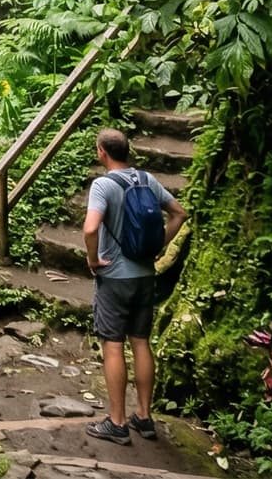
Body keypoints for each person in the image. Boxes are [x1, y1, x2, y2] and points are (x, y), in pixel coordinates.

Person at [82, 127, 186, 446]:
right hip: (144, 276)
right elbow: (179, 213)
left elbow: (90, 228)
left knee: (113, 345)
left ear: (102, 152)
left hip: (114, 278)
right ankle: (144, 416)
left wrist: (93, 259)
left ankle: (117, 422)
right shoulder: (146, 179)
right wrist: (158, 247)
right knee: (141, 343)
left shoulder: (103, 185)